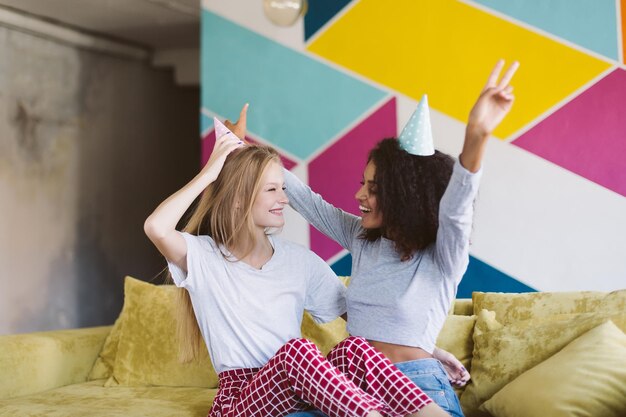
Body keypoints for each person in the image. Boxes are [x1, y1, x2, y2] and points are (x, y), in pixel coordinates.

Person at [228, 60, 519, 417]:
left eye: (374, 188)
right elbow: (309, 202)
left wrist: (476, 137)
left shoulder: (442, 254)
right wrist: (241, 149)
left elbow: (456, 211)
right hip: (353, 389)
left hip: (416, 389)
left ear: (404, 194)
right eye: (362, 184)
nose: (360, 196)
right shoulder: (362, 238)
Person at [143, 120, 451, 417]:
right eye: (272, 190)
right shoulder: (204, 257)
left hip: (296, 393)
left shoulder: (299, 261)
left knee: (354, 347)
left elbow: (365, 321)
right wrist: (211, 172)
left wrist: (429, 350)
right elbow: (156, 227)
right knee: (297, 351)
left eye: (283, 188)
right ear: (238, 199)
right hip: (241, 400)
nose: (284, 199)